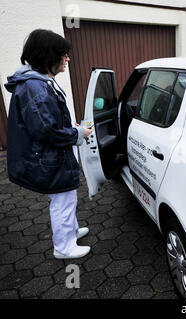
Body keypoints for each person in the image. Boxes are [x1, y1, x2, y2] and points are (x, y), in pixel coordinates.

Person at [5, 29, 93, 259]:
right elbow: (47, 130)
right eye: (63, 55)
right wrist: (78, 133)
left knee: (67, 196)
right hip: (50, 157)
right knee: (62, 200)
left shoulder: (39, 81)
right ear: (48, 57)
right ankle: (64, 247)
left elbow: (48, 120)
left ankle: (71, 232)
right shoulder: (35, 87)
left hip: (53, 154)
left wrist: (71, 127)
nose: (67, 59)